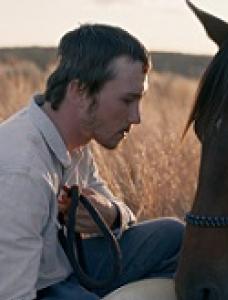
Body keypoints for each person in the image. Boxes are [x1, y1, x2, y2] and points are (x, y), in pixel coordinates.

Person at [0, 24, 185, 300]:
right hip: (34, 286)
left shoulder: (76, 142)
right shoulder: (22, 171)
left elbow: (124, 218)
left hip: (61, 265)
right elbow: (12, 293)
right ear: (80, 92)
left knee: (176, 236)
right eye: (127, 100)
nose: (137, 117)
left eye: (140, 100)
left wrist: (109, 214)